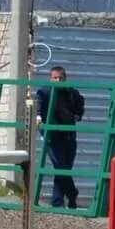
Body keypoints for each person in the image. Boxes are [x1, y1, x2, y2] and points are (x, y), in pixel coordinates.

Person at [36, 64, 86, 209]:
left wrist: (78, 115)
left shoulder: (71, 93)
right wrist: (39, 117)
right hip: (52, 137)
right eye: (55, 78)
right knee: (60, 167)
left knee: (64, 169)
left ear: (65, 78)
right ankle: (72, 193)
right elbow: (39, 102)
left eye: (61, 78)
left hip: (69, 136)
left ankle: (57, 202)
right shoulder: (45, 91)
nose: (58, 81)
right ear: (50, 79)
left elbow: (80, 103)